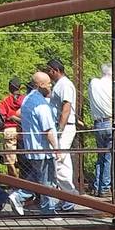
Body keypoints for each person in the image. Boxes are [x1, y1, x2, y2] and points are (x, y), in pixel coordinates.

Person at [18, 71, 63, 211]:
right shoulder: (41, 105)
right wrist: (57, 148)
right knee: (47, 181)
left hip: (31, 146)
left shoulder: (27, 99)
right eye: (49, 84)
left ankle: (20, 195)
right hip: (43, 149)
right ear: (41, 85)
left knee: (37, 177)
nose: (51, 86)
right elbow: (47, 130)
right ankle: (47, 209)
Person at [46, 57, 78, 198]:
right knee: (64, 161)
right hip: (61, 126)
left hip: (65, 127)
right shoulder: (59, 84)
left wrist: (60, 128)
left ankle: (68, 195)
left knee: (58, 159)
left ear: (56, 70)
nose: (48, 74)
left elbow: (66, 107)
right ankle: (69, 195)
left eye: (49, 71)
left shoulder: (65, 84)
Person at [89, 63, 115, 196]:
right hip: (109, 121)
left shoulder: (94, 83)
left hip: (98, 123)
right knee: (108, 156)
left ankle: (97, 186)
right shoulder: (114, 86)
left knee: (100, 155)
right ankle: (105, 187)